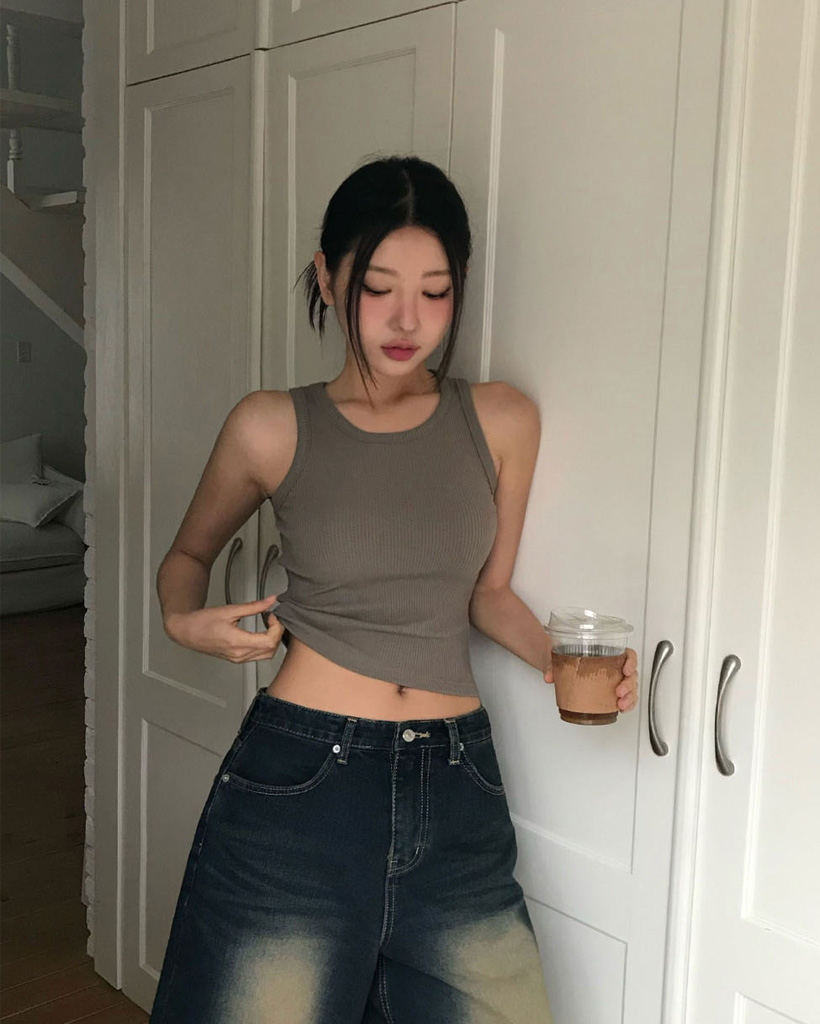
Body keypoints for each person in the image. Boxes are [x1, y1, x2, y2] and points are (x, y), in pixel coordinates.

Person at [149, 154, 639, 1024]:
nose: (408, 319)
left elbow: (488, 595)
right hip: (301, 782)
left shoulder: (502, 419)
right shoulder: (270, 426)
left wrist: (559, 660)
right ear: (328, 279)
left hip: (457, 786)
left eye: (436, 292)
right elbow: (185, 558)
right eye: (378, 288)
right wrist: (187, 624)